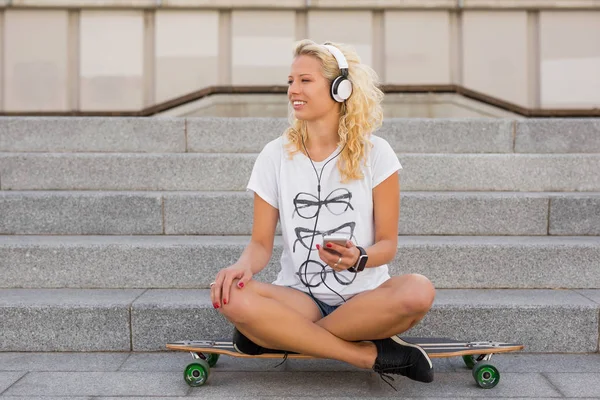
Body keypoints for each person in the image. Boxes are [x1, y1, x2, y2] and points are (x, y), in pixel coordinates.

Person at [209, 39, 436, 386]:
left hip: (364, 301)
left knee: (419, 291)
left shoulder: (377, 153)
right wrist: (242, 265)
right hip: (299, 298)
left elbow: (388, 244)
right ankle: (366, 355)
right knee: (232, 295)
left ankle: (275, 335)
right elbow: (260, 244)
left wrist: (358, 257)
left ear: (339, 88)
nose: (293, 91)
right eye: (290, 81)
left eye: (305, 80)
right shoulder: (274, 155)